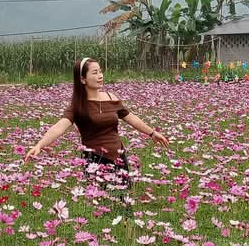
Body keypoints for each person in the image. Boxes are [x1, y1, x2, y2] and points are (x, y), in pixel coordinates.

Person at [24, 57, 170, 176]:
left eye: (100, 71)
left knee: (123, 205)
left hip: (118, 156)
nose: (100, 76)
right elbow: (58, 128)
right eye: (94, 73)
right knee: (100, 203)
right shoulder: (78, 105)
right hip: (95, 160)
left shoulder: (111, 97)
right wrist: (39, 145)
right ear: (82, 79)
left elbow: (132, 118)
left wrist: (152, 133)